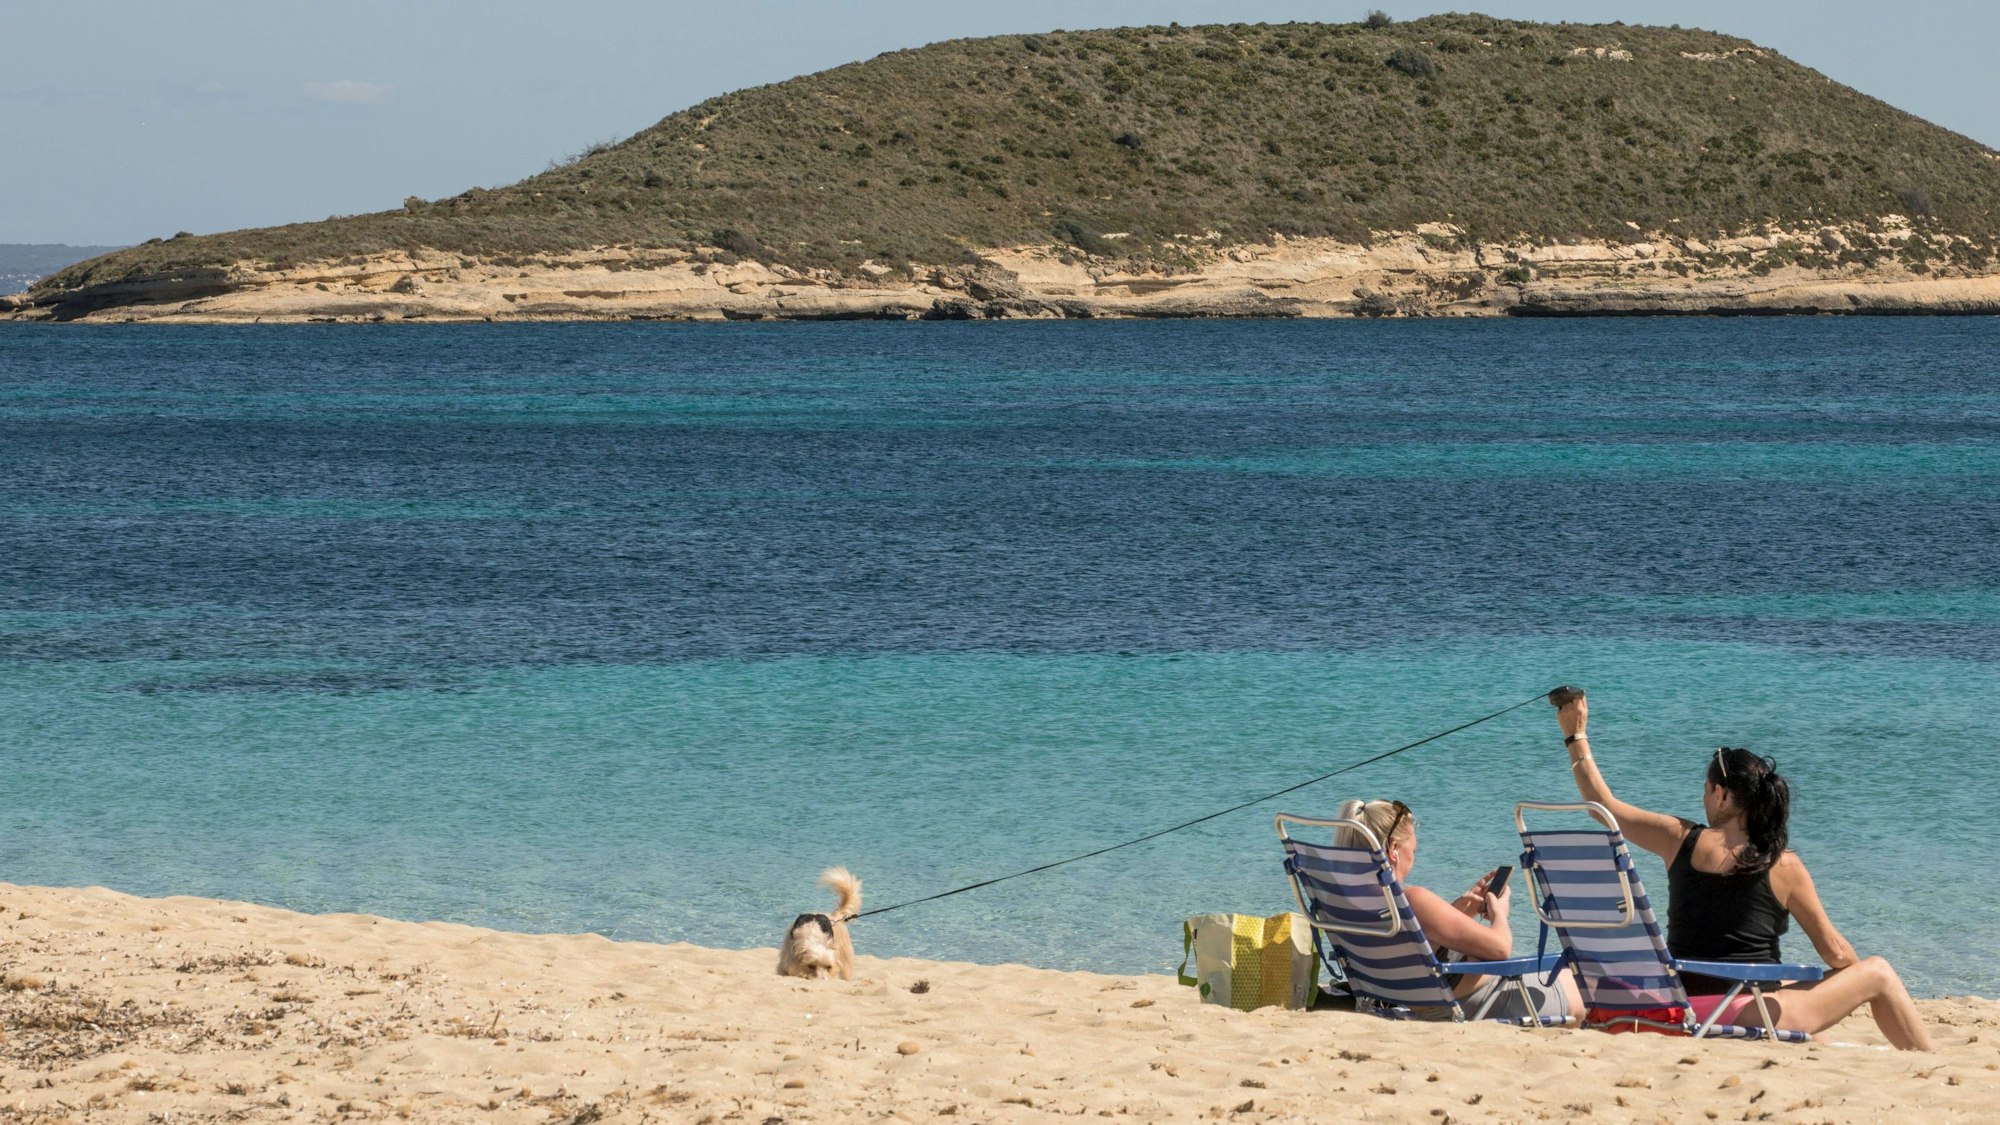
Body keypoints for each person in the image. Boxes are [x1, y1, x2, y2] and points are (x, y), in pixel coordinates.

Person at [1554, 695, 1934, 1050]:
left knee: (1795, 986)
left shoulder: (1677, 839)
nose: (1704, 800)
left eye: (1706, 791)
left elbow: (1600, 804)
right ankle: (1929, 1060)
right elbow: (1834, 951)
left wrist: (1575, 733)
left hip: (1685, 1004)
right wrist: (1850, 982)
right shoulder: (1783, 864)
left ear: (1720, 794)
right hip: (1747, 1010)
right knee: (1879, 972)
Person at [1332, 798, 1580, 1024]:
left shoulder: (1347, 902)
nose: (1413, 856)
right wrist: (1499, 913)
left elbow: (1409, 944)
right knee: (1584, 984)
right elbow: (1500, 948)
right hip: (1482, 1001)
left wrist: (1456, 912)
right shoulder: (1412, 900)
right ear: (1393, 849)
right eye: (1413, 850)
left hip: (1417, 1003)